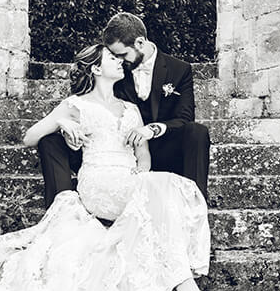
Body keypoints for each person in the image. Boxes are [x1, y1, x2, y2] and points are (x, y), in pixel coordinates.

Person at [0, 43, 212, 291]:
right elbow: (30, 137)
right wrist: (61, 122)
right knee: (162, 190)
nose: (121, 62)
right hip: (98, 182)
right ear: (96, 69)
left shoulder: (131, 109)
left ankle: (178, 282)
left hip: (129, 178)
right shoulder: (77, 104)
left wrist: (141, 176)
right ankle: (184, 286)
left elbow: (144, 155)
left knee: (167, 187)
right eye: (113, 58)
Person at [38, 12, 210, 208]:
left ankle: (195, 207)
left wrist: (152, 129)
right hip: (112, 153)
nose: (119, 60)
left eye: (122, 55)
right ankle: (61, 211)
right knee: (50, 140)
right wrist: (67, 126)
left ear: (139, 43)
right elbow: (85, 103)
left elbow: (185, 118)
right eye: (114, 56)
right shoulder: (115, 70)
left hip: (160, 149)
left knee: (197, 132)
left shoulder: (179, 69)